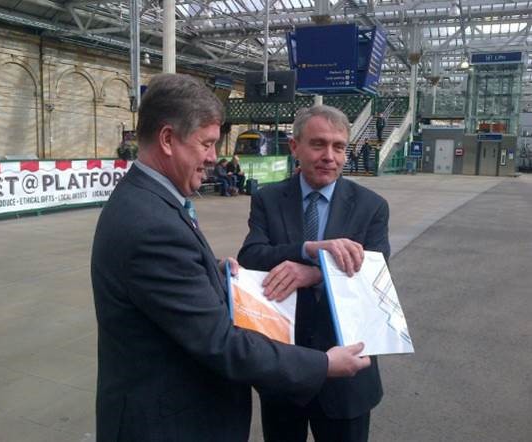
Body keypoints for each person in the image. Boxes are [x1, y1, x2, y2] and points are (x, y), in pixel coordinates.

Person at [91, 74, 372, 442]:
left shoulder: (147, 201)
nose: (213, 157)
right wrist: (324, 364)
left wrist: (212, 271)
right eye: (207, 143)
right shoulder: (151, 223)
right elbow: (222, 343)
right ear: (167, 140)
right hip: (170, 423)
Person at [238, 105, 391, 442]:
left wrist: (316, 273)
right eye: (318, 144)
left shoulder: (371, 206)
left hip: (347, 376)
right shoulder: (268, 199)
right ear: (295, 147)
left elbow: (376, 272)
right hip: (285, 368)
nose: (329, 156)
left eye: (339, 147)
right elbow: (251, 255)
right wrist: (307, 249)